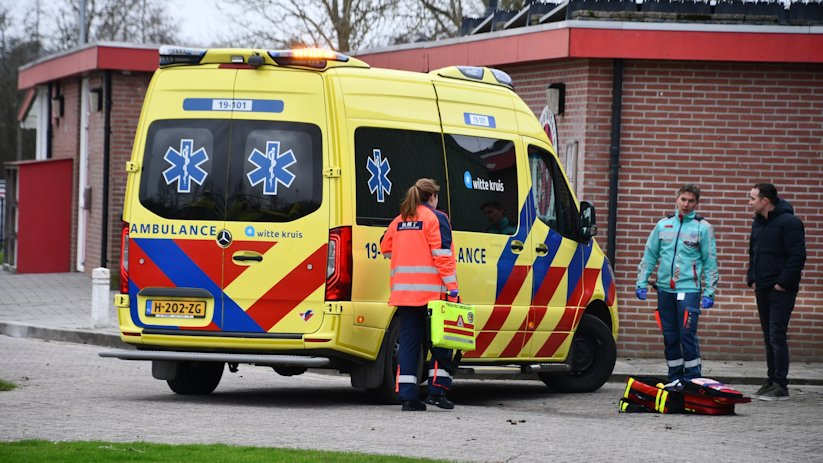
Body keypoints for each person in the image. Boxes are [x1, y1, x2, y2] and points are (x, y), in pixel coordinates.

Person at [380, 178, 460, 411]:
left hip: (405, 294)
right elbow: (443, 256)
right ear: (433, 197)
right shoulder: (437, 218)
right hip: (433, 295)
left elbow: (385, 248)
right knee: (441, 342)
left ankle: (408, 397)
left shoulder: (400, 220)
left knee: (408, 344)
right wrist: (453, 288)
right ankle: (437, 392)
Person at [636, 184, 719, 383]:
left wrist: (709, 291)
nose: (686, 204)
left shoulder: (703, 228)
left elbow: (710, 261)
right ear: (677, 199)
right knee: (670, 336)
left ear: (696, 203)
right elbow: (650, 255)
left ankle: (693, 378)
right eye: (683, 200)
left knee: (687, 335)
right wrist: (641, 282)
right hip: (665, 290)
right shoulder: (663, 225)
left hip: (689, 290)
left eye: (691, 201)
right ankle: (674, 377)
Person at [747, 183, 806, 401]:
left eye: (753, 198)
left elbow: (797, 256)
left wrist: (782, 283)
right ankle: (771, 380)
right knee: (768, 337)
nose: (750, 202)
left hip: (781, 290)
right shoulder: (758, 223)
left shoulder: (790, 223)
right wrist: (751, 278)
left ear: (765, 200)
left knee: (776, 335)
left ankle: (781, 385)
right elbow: (753, 253)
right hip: (762, 288)